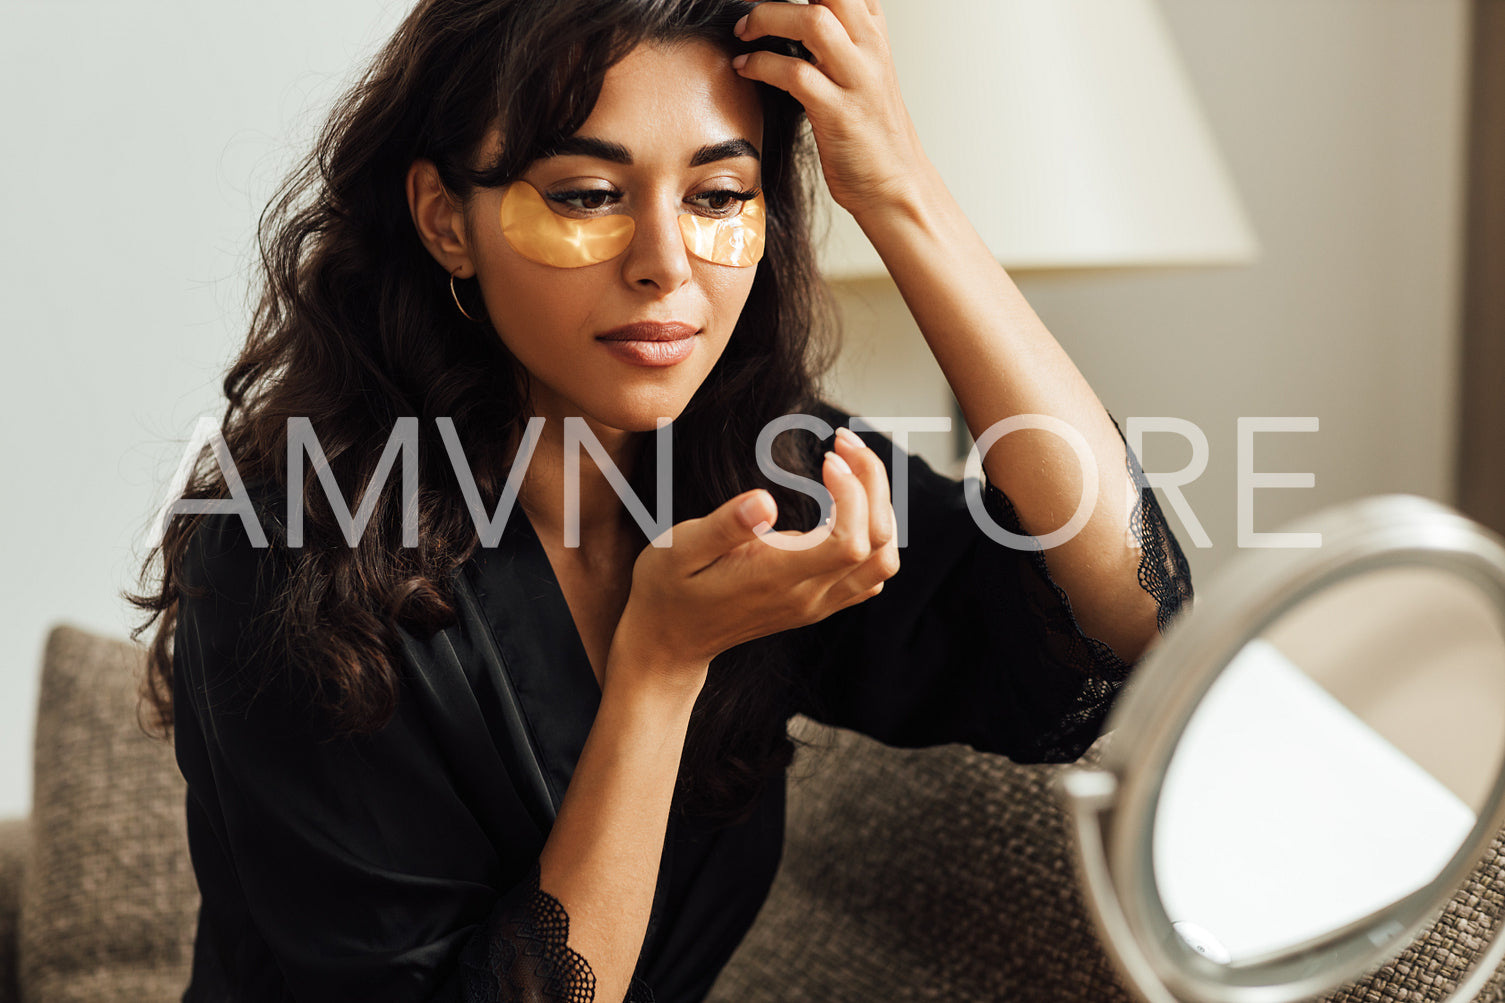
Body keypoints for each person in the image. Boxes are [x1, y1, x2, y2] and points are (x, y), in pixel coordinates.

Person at [126, 0, 1193, 1000]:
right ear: (445, 220)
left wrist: (897, 190)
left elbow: (1129, 614)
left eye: (720, 195)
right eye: (587, 196)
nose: (665, 262)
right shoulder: (280, 548)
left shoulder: (761, 474)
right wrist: (661, 666)